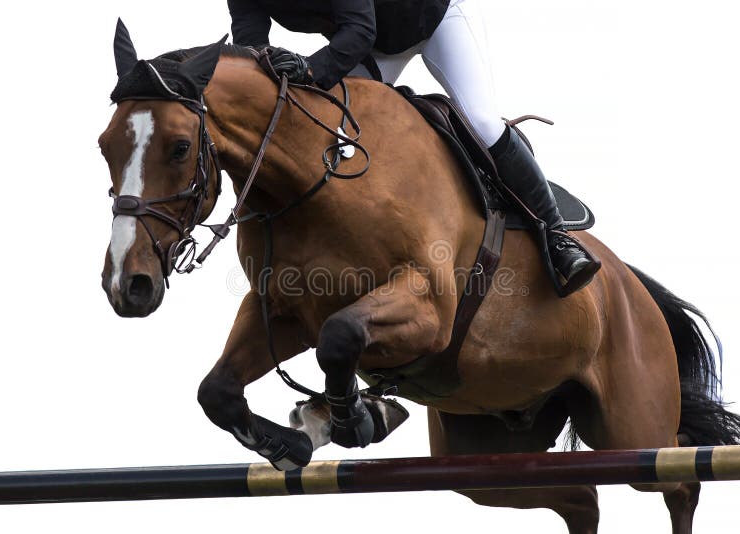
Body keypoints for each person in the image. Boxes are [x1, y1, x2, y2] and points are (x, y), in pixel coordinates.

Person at [228, 0, 601, 447]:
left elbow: (358, 29)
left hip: (433, 18)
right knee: (322, 129)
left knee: (481, 122)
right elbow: (251, 45)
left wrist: (308, 67)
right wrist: (274, 69)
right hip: (373, 44)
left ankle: (556, 237)